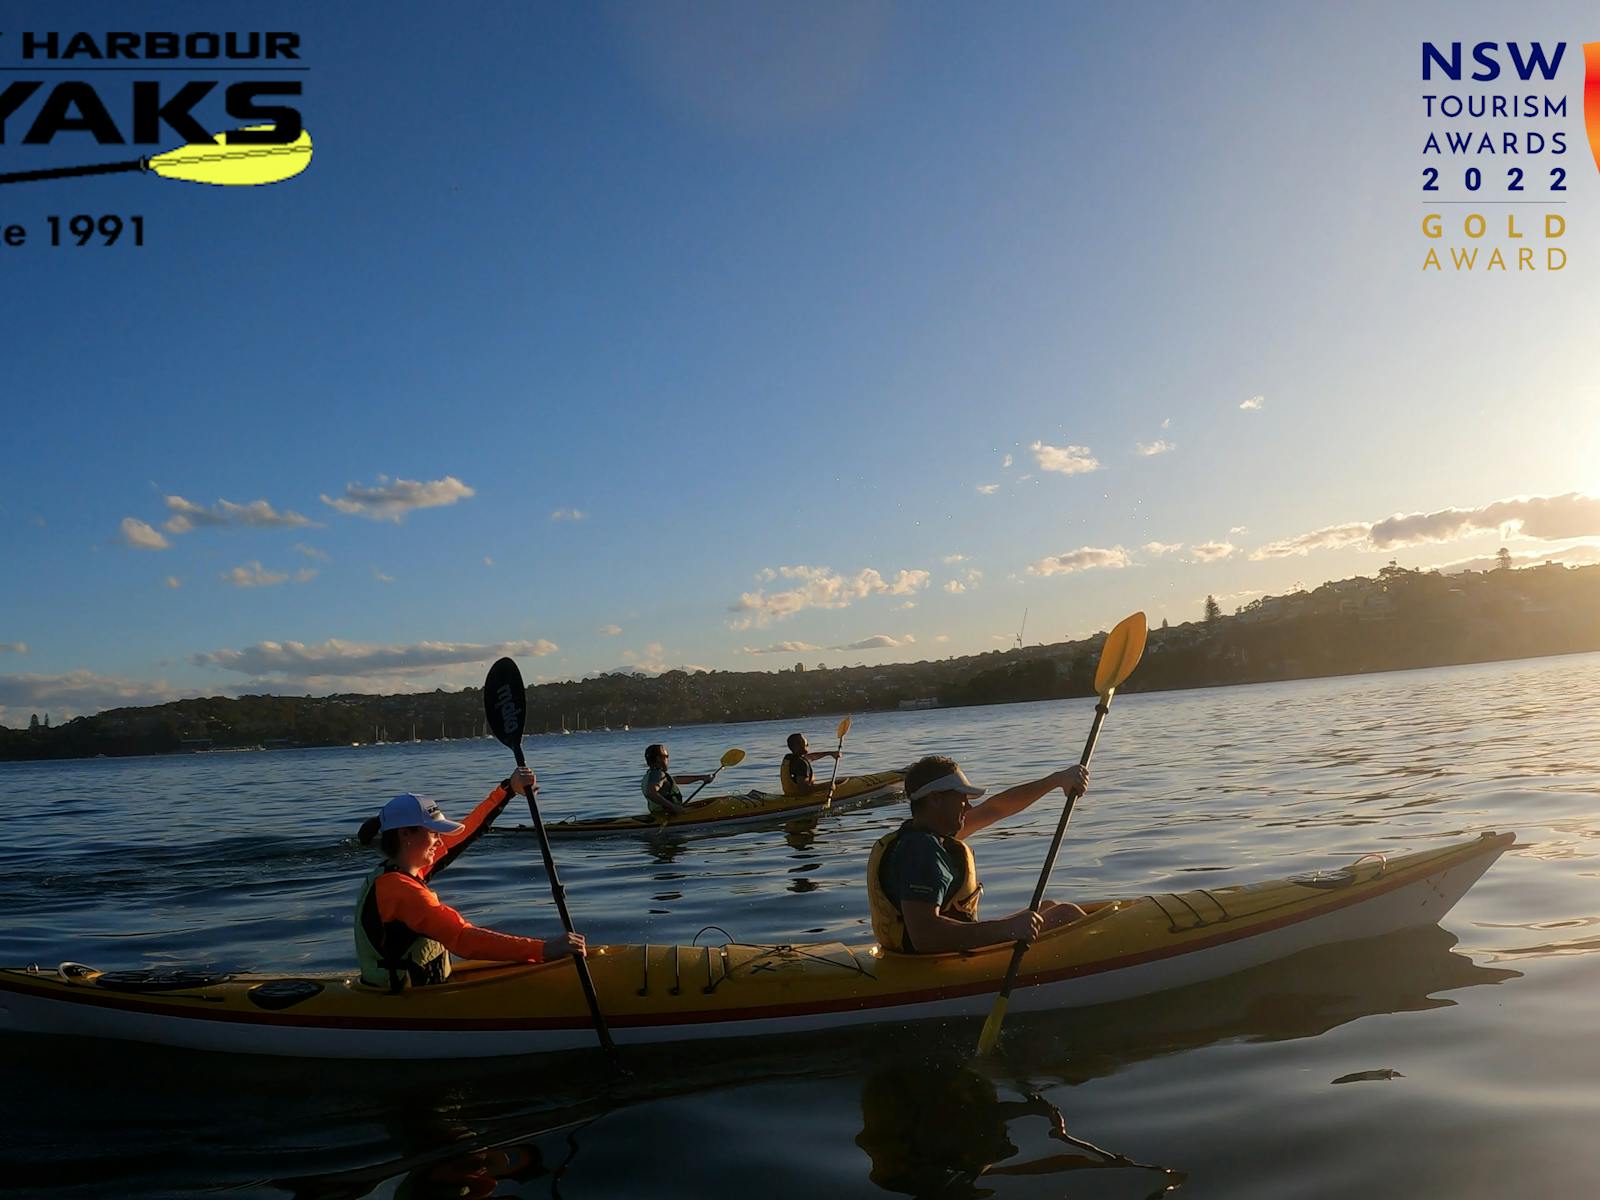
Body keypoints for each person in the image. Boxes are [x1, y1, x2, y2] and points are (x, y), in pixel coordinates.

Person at [354, 767, 585, 990]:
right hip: (404, 1003)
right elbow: (462, 939)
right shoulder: (401, 890)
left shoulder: (401, 871)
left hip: (416, 989)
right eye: (433, 833)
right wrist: (545, 949)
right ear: (405, 834)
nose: (438, 840)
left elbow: (467, 832)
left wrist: (508, 790)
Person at [866, 755, 1090, 954]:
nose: (968, 806)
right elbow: (924, 936)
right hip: (934, 962)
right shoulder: (921, 853)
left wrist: (1057, 780)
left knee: (1048, 906)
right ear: (935, 799)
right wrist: (1008, 929)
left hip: (930, 955)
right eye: (962, 798)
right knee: (1066, 914)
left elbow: (997, 808)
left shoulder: (926, 834)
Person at [640, 743, 713, 816]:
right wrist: (673, 807)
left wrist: (702, 778)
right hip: (668, 815)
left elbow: (676, 780)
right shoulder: (658, 774)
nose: (668, 760)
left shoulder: (649, 775)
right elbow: (651, 793)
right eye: (666, 756)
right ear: (659, 758)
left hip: (659, 814)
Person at [780, 731, 842, 796]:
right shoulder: (801, 764)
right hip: (801, 798)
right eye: (805, 743)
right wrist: (826, 786)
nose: (808, 744)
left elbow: (811, 757)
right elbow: (804, 790)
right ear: (799, 745)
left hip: (790, 795)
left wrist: (830, 753)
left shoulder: (789, 758)